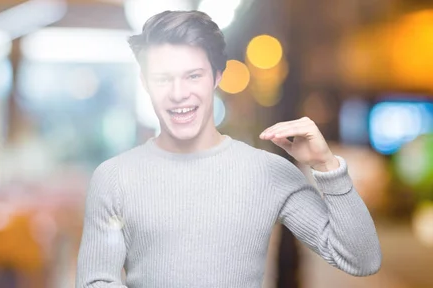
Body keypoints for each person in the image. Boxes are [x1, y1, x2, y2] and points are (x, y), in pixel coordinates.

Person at [75, 10, 381, 288]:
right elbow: (95, 280)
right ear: (144, 82)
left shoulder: (267, 172)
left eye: (193, 76)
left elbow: (361, 259)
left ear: (216, 78)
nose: (179, 93)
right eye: (163, 79)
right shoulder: (114, 177)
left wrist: (327, 167)